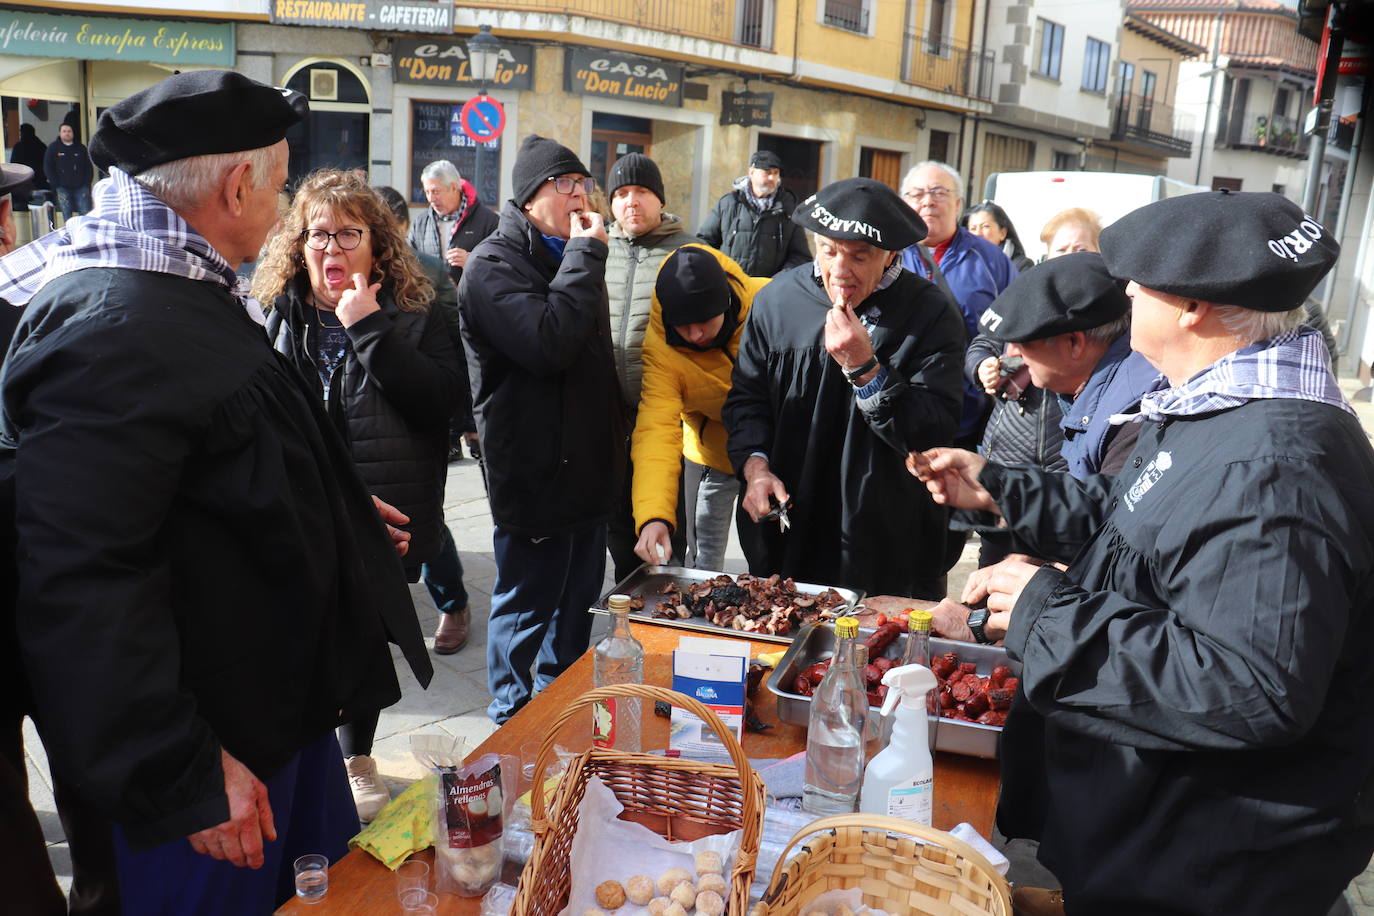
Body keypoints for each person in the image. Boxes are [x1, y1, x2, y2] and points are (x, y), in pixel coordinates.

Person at [0, 70, 432, 913]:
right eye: (276, 187)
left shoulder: (182, 279)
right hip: (216, 764)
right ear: (236, 185)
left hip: (278, 716)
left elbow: (213, 471)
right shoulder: (113, 327)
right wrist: (182, 773)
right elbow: (85, 580)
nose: (280, 211)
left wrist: (331, 515)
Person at [913, 191, 1374, 915]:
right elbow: (1138, 515)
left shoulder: (1274, 463)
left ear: (1192, 307)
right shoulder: (1220, 409)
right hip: (1155, 826)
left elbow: (1250, 687)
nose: (1124, 294)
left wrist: (1046, 615)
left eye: (1139, 282)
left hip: (1208, 862)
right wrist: (1000, 487)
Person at [254, 170, 462, 821]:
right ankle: (312, 759)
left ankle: (358, 758)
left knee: (368, 632)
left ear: (378, 244)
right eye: (320, 232)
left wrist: (370, 327)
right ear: (300, 243)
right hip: (303, 510)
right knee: (303, 632)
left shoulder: (418, 307)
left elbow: (441, 406)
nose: (334, 246)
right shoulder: (277, 313)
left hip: (389, 505)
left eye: (351, 232)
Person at [722, 177, 964, 599]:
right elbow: (747, 399)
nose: (839, 270)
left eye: (859, 256)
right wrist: (755, 469)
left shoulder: (930, 312)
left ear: (890, 255)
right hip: (791, 523)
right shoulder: (776, 301)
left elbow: (933, 428)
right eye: (828, 250)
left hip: (884, 538)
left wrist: (865, 368)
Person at [458, 134, 625, 724]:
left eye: (584, 183)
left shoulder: (573, 253)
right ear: (530, 197)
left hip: (585, 468)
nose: (581, 195)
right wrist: (585, 256)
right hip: (532, 471)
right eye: (565, 184)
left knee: (578, 602)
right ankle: (508, 712)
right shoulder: (493, 264)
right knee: (526, 604)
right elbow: (548, 343)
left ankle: (559, 704)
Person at [375, 185, 479, 656]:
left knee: (426, 523)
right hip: (361, 430)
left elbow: (455, 352)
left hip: (417, 421)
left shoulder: (428, 272)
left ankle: (453, 604)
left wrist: (462, 421)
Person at [632, 245, 769, 571]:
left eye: (705, 321)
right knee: (704, 560)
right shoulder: (661, 349)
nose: (695, 334)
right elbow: (656, 431)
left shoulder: (769, 302)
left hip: (774, 454)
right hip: (712, 456)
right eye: (682, 324)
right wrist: (654, 517)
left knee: (770, 556)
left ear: (726, 304)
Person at [979, 252, 1164, 480]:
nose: (1013, 352)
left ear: (1074, 343)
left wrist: (1003, 492)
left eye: (1025, 342)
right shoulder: (1105, 390)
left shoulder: (1132, 415)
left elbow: (1107, 506)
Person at [604, 152, 699, 579]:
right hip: (608, 417)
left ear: (659, 199)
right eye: (621, 193)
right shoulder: (596, 250)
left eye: (641, 191)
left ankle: (664, 598)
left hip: (666, 415)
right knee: (617, 522)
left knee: (665, 521)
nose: (631, 202)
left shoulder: (687, 252)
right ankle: (628, 600)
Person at [899, 161, 1018, 449]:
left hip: (969, 413)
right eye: (917, 194)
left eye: (938, 192)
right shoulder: (885, 254)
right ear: (903, 203)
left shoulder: (991, 260)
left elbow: (1015, 325)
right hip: (898, 409)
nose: (927, 201)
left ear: (958, 203)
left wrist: (996, 366)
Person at [697, 149, 811, 278]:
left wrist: (779, 280)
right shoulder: (729, 203)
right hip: (730, 286)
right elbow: (704, 243)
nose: (772, 178)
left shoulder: (788, 209)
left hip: (768, 290)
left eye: (776, 173)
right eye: (767, 173)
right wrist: (718, 274)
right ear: (751, 172)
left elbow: (801, 256)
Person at [408, 159, 499, 287]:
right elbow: (407, 260)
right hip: (431, 302)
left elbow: (503, 266)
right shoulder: (421, 222)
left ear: (454, 188)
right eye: (427, 192)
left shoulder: (489, 221)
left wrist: (472, 260)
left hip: (472, 303)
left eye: (435, 191)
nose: (431, 199)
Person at [963, 200, 1032, 272]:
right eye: (973, 228)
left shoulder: (1020, 266)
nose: (978, 233)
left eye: (985, 226)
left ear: (1003, 233)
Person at [43, 123, 93, 220]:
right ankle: (69, 234)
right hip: (62, 188)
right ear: (60, 133)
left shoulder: (81, 148)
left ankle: (83, 234)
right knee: (66, 215)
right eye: (64, 131)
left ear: (73, 133)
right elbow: (48, 167)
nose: (67, 133)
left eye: (69, 131)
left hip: (81, 188)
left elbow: (88, 167)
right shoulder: (53, 148)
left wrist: (86, 184)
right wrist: (56, 184)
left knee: (85, 215)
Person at [9, 124, 46, 212]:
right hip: (38, 182)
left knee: (23, 207)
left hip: (24, 182)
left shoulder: (19, 146)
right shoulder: (41, 146)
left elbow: (14, 165)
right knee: (38, 208)